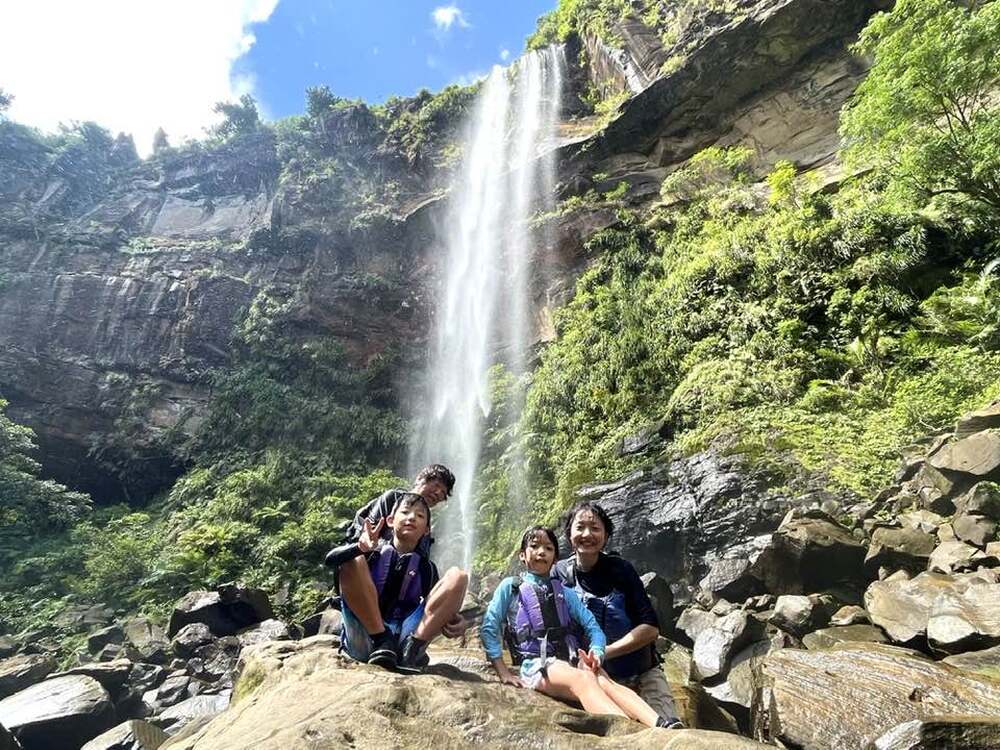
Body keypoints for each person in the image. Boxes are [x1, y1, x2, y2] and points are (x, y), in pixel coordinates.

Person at [481, 526, 674, 729]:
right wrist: (502, 671)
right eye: (534, 546)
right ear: (522, 555)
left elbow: (593, 627)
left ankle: (660, 724)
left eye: (548, 548)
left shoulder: (565, 592)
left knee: (605, 681)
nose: (541, 552)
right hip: (536, 664)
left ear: (555, 559)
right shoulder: (511, 587)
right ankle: (631, 732)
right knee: (584, 679)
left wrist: (597, 652)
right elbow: (490, 625)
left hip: (571, 659)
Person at [554, 501, 682, 727]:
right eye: (580, 527)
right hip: (593, 678)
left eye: (595, 528)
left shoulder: (621, 570)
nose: (587, 534)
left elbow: (650, 629)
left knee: (670, 733)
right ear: (569, 534)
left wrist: (604, 652)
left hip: (641, 674)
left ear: (606, 535)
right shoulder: (559, 574)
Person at [333, 464, 469, 665]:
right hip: (369, 598)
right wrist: (366, 546)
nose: (438, 493)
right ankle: (381, 638)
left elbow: (426, 584)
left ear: (426, 529)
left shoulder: (423, 540)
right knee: (354, 557)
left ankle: (411, 647)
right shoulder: (391, 499)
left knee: (458, 576)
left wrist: (451, 616)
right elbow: (357, 545)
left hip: (403, 609)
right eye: (436, 485)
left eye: (443, 493)